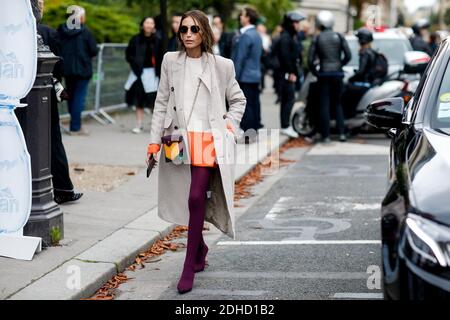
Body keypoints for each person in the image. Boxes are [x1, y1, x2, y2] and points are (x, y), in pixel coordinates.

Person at [146, 10, 246, 294]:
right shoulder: (170, 61)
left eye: (194, 29)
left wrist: (228, 126)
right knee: (184, 198)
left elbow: (238, 100)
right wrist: (154, 142)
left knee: (194, 197)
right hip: (177, 140)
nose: (188, 34)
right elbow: (162, 102)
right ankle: (199, 247)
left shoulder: (221, 65)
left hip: (207, 141)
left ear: (204, 33)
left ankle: (188, 265)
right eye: (184, 30)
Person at [38, 0, 83, 204]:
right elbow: (58, 65)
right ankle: (62, 188)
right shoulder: (47, 32)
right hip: (44, 93)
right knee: (53, 140)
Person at [308, 10, 351, 143]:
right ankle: (342, 133)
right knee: (338, 103)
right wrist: (339, 65)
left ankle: (326, 136)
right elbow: (348, 55)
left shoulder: (317, 38)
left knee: (324, 104)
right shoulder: (339, 36)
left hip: (324, 74)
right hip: (337, 74)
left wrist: (316, 72)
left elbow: (310, 60)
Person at [57, 5, 98, 135]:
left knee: (71, 97)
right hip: (83, 70)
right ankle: (75, 127)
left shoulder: (61, 30)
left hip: (67, 70)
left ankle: (73, 124)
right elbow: (93, 50)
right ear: (79, 17)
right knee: (79, 99)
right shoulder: (86, 32)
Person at [125, 17, 163, 134]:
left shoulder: (158, 40)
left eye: (151, 23)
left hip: (153, 74)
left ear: (154, 26)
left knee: (154, 101)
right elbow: (128, 54)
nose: (149, 25)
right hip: (139, 73)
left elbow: (161, 56)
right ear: (142, 25)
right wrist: (135, 64)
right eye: (147, 22)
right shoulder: (135, 39)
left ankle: (156, 125)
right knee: (139, 99)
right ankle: (139, 124)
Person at [231, 7, 263, 139]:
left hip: (245, 76)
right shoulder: (257, 34)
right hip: (255, 75)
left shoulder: (245, 35)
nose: (240, 17)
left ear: (248, 18)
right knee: (254, 104)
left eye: (243, 15)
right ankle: (253, 131)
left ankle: (249, 134)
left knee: (247, 106)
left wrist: (233, 77)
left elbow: (240, 58)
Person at [275, 12, 305, 139]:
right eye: (296, 22)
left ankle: (285, 126)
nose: (298, 25)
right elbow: (285, 57)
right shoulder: (286, 37)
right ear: (290, 23)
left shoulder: (291, 36)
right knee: (289, 99)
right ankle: (286, 126)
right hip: (287, 74)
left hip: (289, 72)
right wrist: (291, 72)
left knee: (288, 99)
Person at [345, 28, 377, 118]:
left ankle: (349, 117)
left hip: (364, 84)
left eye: (358, 39)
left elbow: (361, 72)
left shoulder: (365, 53)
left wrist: (350, 79)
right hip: (369, 82)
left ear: (362, 40)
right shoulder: (371, 52)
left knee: (344, 90)